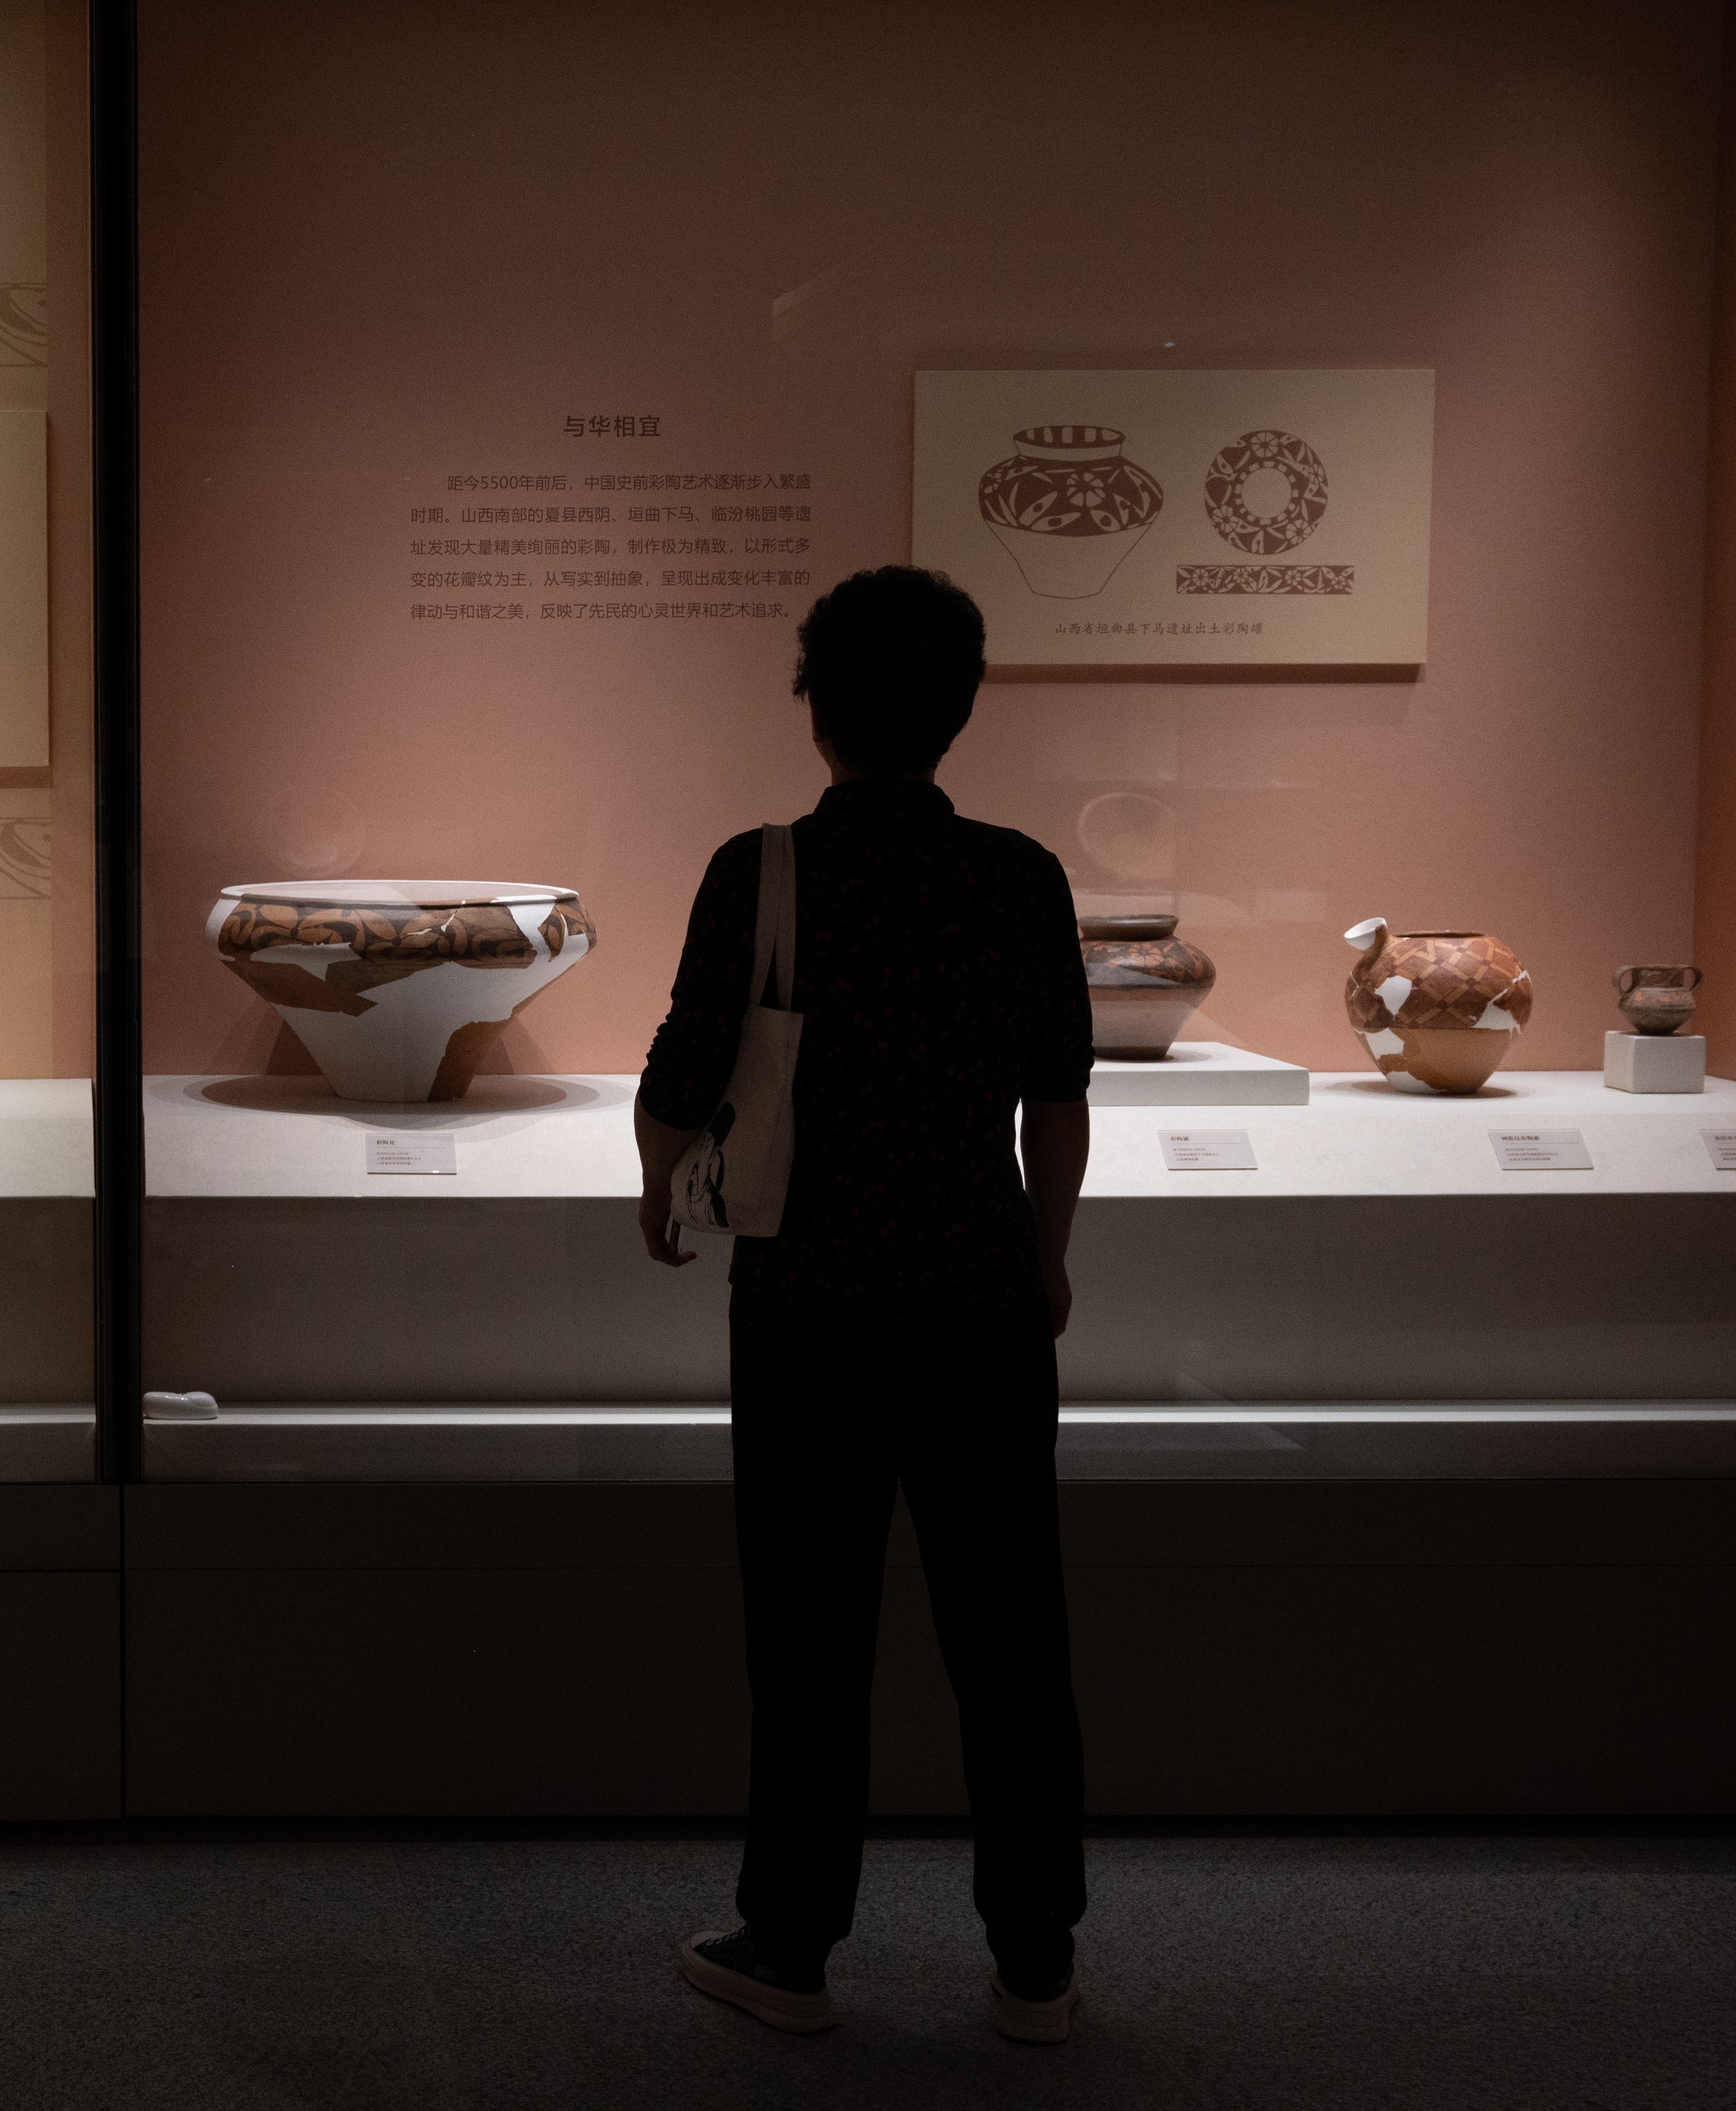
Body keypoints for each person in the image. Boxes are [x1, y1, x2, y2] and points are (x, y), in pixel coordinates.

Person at [632, 566, 1093, 2045]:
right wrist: (1048, 1251)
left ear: (815, 704)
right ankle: (1036, 1955)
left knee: (810, 1626)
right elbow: (1059, 1101)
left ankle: (794, 1938)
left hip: (811, 1295)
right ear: (960, 707)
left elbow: (677, 1091)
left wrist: (663, 1200)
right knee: (1011, 1627)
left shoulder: (759, 868)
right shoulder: (1020, 874)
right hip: (976, 1286)